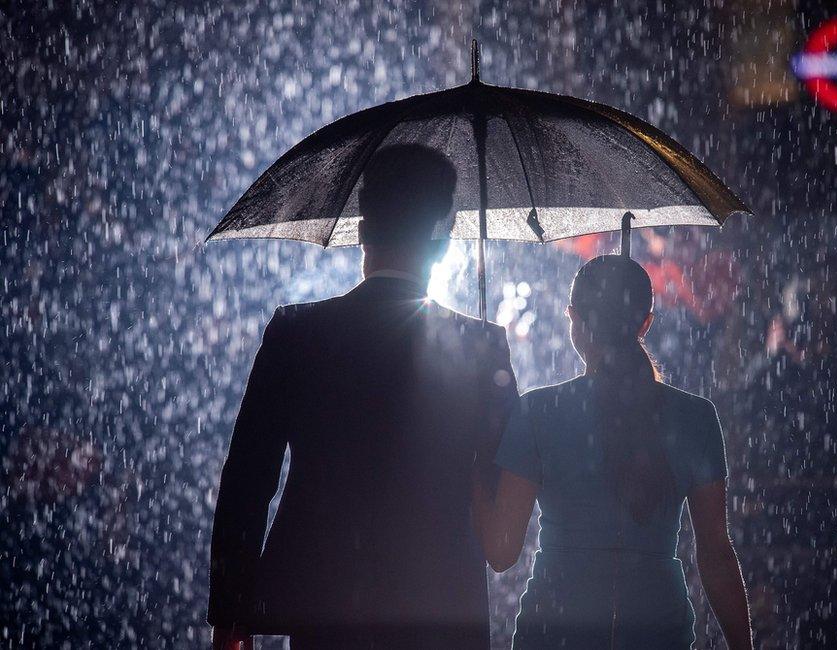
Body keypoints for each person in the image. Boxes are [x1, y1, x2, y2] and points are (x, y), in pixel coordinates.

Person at [209, 144, 518, 650]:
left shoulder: (296, 334)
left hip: (326, 601)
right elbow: (503, 477)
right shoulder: (482, 345)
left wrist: (231, 608)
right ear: (440, 241)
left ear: (362, 231)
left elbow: (248, 478)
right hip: (441, 605)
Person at [473, 255, 752, 649]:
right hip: (656, 629)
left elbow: (501, 553)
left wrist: (470, 466)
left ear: (573, 320)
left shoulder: (538, 411)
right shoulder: (696, 417)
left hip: (556, 630)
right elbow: (717, 554)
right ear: (646, 323)